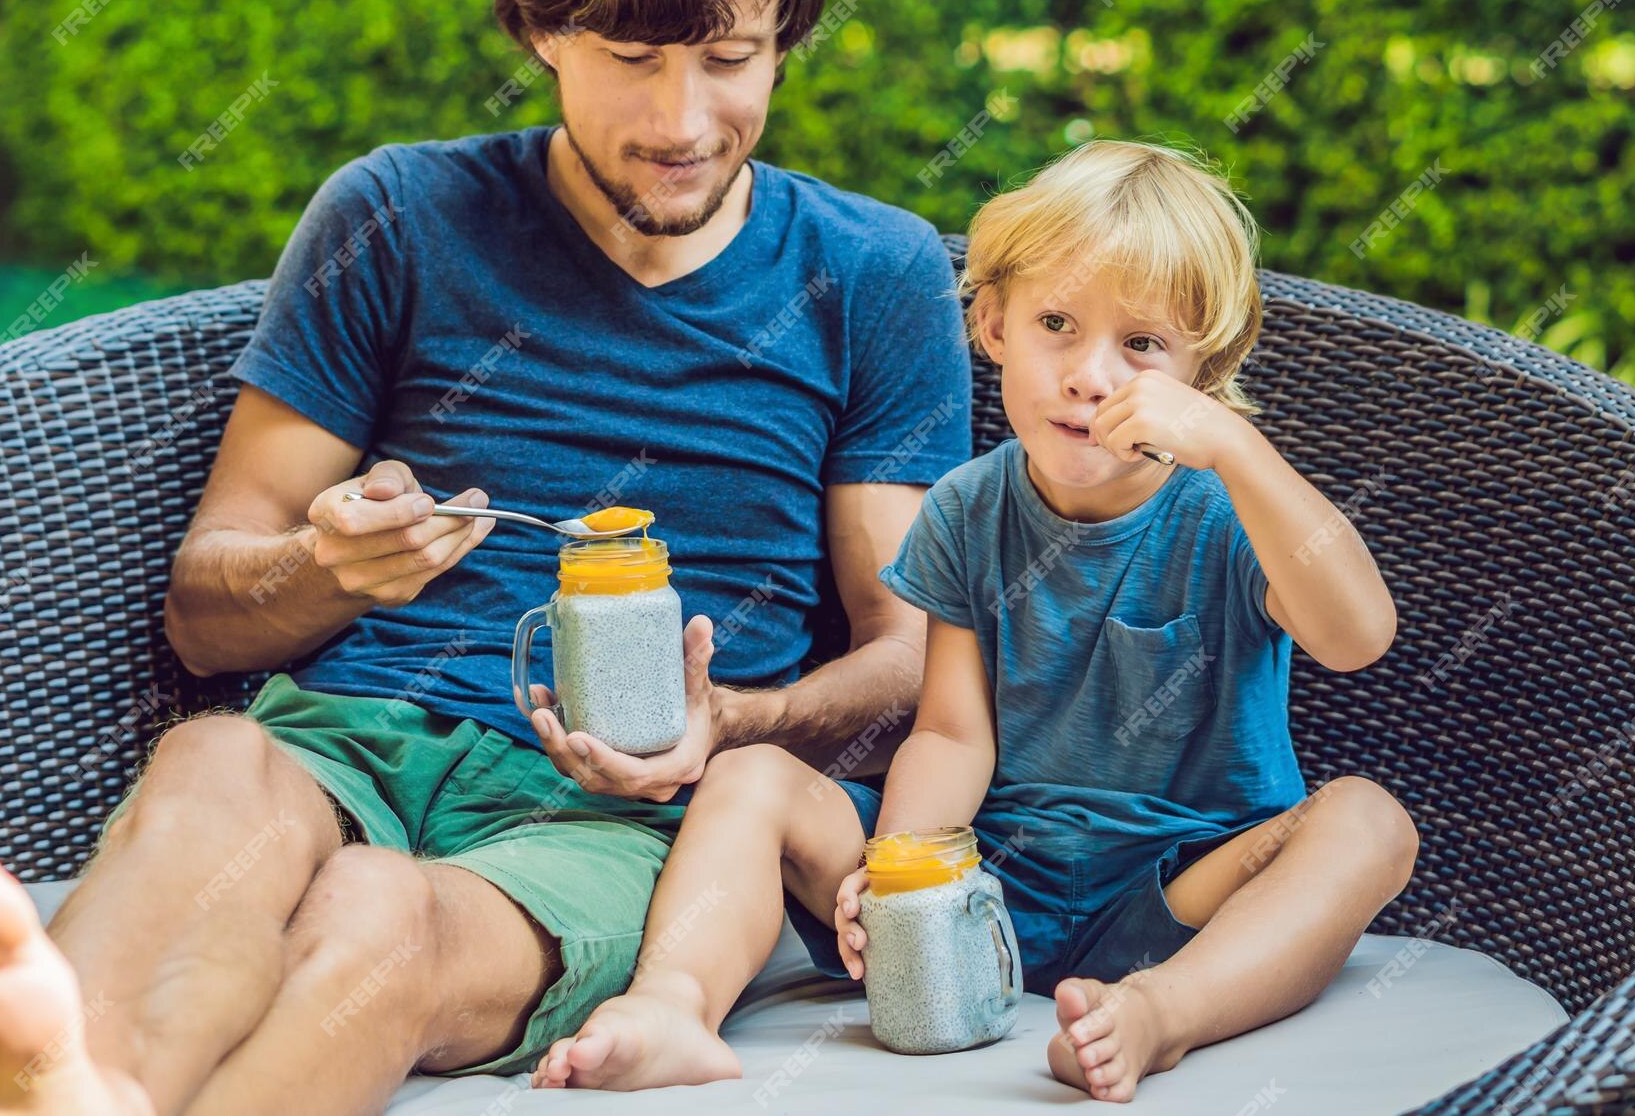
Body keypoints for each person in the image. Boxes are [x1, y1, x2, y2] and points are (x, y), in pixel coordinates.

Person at [0, 0, 969, 1116]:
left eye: (727, 58)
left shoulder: (873, 273)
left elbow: (903, 656)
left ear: (783, 45)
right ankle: (60, 1086)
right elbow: (206, 612)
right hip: (344, 737)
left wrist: (735, 723)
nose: (682, 116)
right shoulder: (402, 216)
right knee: (216, 766)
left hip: (616, 820)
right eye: (630, 56)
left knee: (379, 916)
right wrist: (325, 565)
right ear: (539, 29)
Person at [531, 140, 1418, 1103]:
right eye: (1055, 323)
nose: (1090, 375)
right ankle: (675, 1002)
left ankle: (1164, 1013)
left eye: (1143, 345)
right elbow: (951, 731)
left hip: (1188, 890)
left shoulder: (1234, 509)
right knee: (749, 777)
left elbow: (1357, 635)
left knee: (1370, 821)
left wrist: (1238, 451)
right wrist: (904, 869)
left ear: (1203, 373)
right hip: (986, 881)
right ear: (993, 323)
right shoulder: (966, 505)